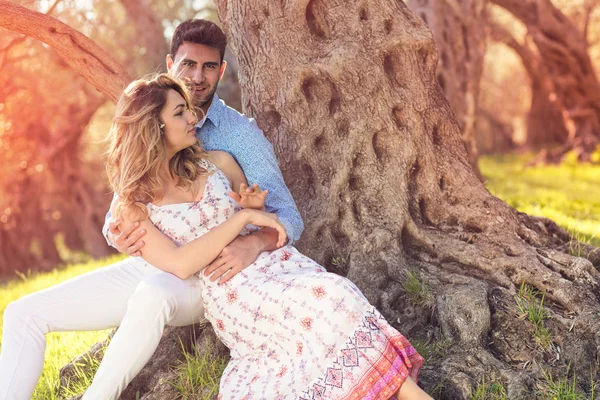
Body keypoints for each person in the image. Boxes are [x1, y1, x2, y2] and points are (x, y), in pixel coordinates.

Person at [0, 19, 302, 400]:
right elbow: (122, 214)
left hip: (203, 274)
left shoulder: (236, 139)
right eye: (188, 64)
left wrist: (254, 242)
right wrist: (122, 233)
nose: (197, 76)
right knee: (22, 314)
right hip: (152, 261)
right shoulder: (150, 115)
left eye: (209, 67)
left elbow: (286, 215)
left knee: (154, 293)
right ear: (170, 63)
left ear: (222, 70)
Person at [105, 74, 428, 398]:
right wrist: (242, 217)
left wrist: (252, 210)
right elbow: (179, 263)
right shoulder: (134, 205)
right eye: (179, 113)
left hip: (278, 264)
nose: (193, 117)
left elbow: (269, 224)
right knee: (328, 306)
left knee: (338, 294)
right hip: (233, 289)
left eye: (188, 109)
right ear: (153, 126)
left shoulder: (218, 163)